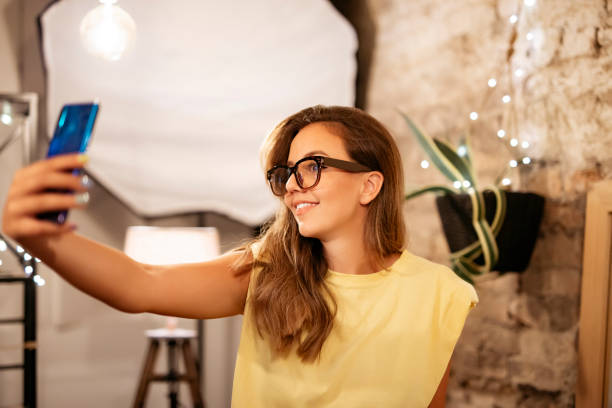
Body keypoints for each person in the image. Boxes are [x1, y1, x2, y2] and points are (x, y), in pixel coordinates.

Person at [1, 105, 478, 407]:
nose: (291, 185)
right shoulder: (267, 272)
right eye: (286, 172)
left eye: (311, 167)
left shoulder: (442, 295)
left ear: (370, 184)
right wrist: (44, 240)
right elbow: (140, 282)